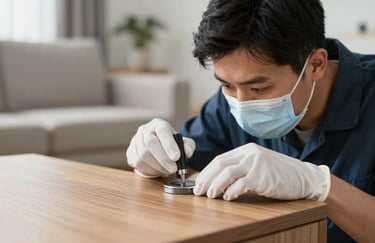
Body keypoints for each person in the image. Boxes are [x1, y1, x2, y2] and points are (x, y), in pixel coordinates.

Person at [126, 0, 375, 242]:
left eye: (258, 89)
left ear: (315, 65)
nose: (241, 103)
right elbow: (184, 171)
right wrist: (153, 160)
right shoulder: (230, 100)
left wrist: (321, 186)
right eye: (226, 84)